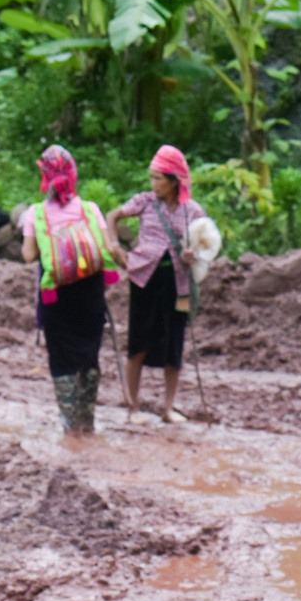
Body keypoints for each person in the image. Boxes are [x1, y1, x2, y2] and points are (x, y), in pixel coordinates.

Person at [107, 146, 221, 424]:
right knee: (138, 340)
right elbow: (112, 216)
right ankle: (132, 407)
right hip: (144, 279)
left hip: (178, 284)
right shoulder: (145, 202)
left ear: (173, 181)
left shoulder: (193, 212)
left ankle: (168, 408)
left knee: (175, 342)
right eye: (152, 178)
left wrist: (193, 255)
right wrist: (113, 244)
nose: (154, 184)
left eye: (159, 178)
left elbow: (205, 243)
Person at [20, 145, 123, 436]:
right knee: (89, 355)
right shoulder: (90, 210)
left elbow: (29, 255)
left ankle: (69, 425)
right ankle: (87, 422)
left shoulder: (35, 214)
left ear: (45, 177)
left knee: (61, 357)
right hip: (90, 294)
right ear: (73, 175)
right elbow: (105, 248)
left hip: (56, 295)